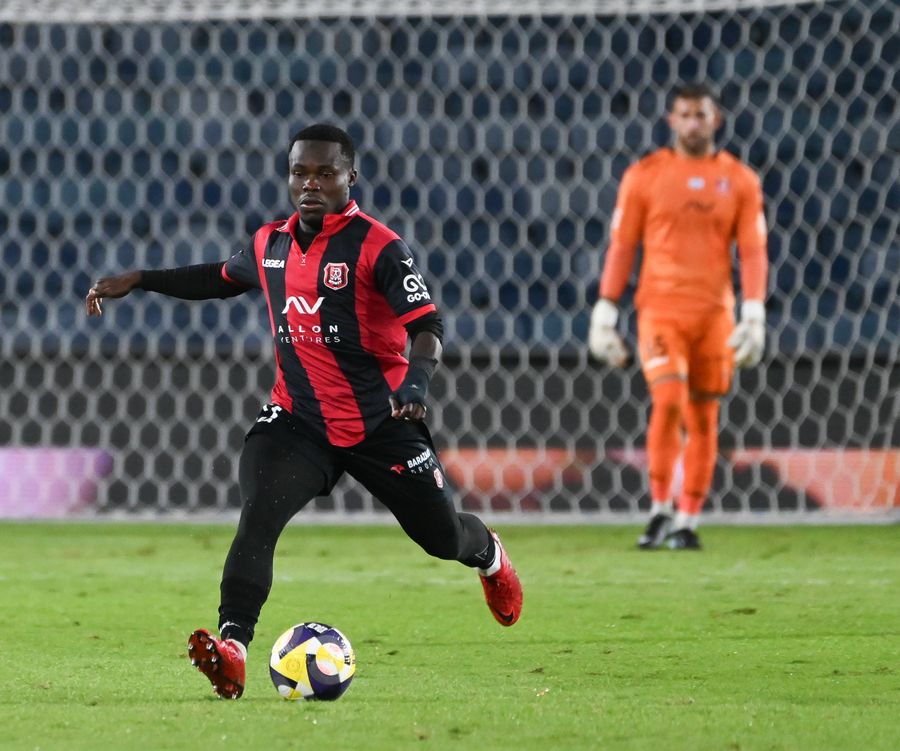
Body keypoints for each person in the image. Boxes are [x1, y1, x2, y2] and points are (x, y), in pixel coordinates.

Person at [85, 123, 523, 699]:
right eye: (300, 172)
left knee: (442, 538)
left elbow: (427, 324)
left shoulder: (380, 247)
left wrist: (416, 383)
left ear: (350, 177)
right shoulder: (269, 243)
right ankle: (233, 649)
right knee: (259, 513)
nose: (310, 183)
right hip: (298, 421)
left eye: (324, 172)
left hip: (381, 423)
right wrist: (140, 280)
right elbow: (217, 278)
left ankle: (489, 555)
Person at [588, 83, 768, 550]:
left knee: (704, 416)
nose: (693, 123)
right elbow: (622, 245)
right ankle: (659, 509)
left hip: (715, 315)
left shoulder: (741, 180)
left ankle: (687, 520)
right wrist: (605, 310)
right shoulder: (644, 175)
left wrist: (753, 314)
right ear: (671, 120)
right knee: (668, 400)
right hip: (660, 310)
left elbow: (753, 250)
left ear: (716, 120)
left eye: (701, 114)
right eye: (684, 115)